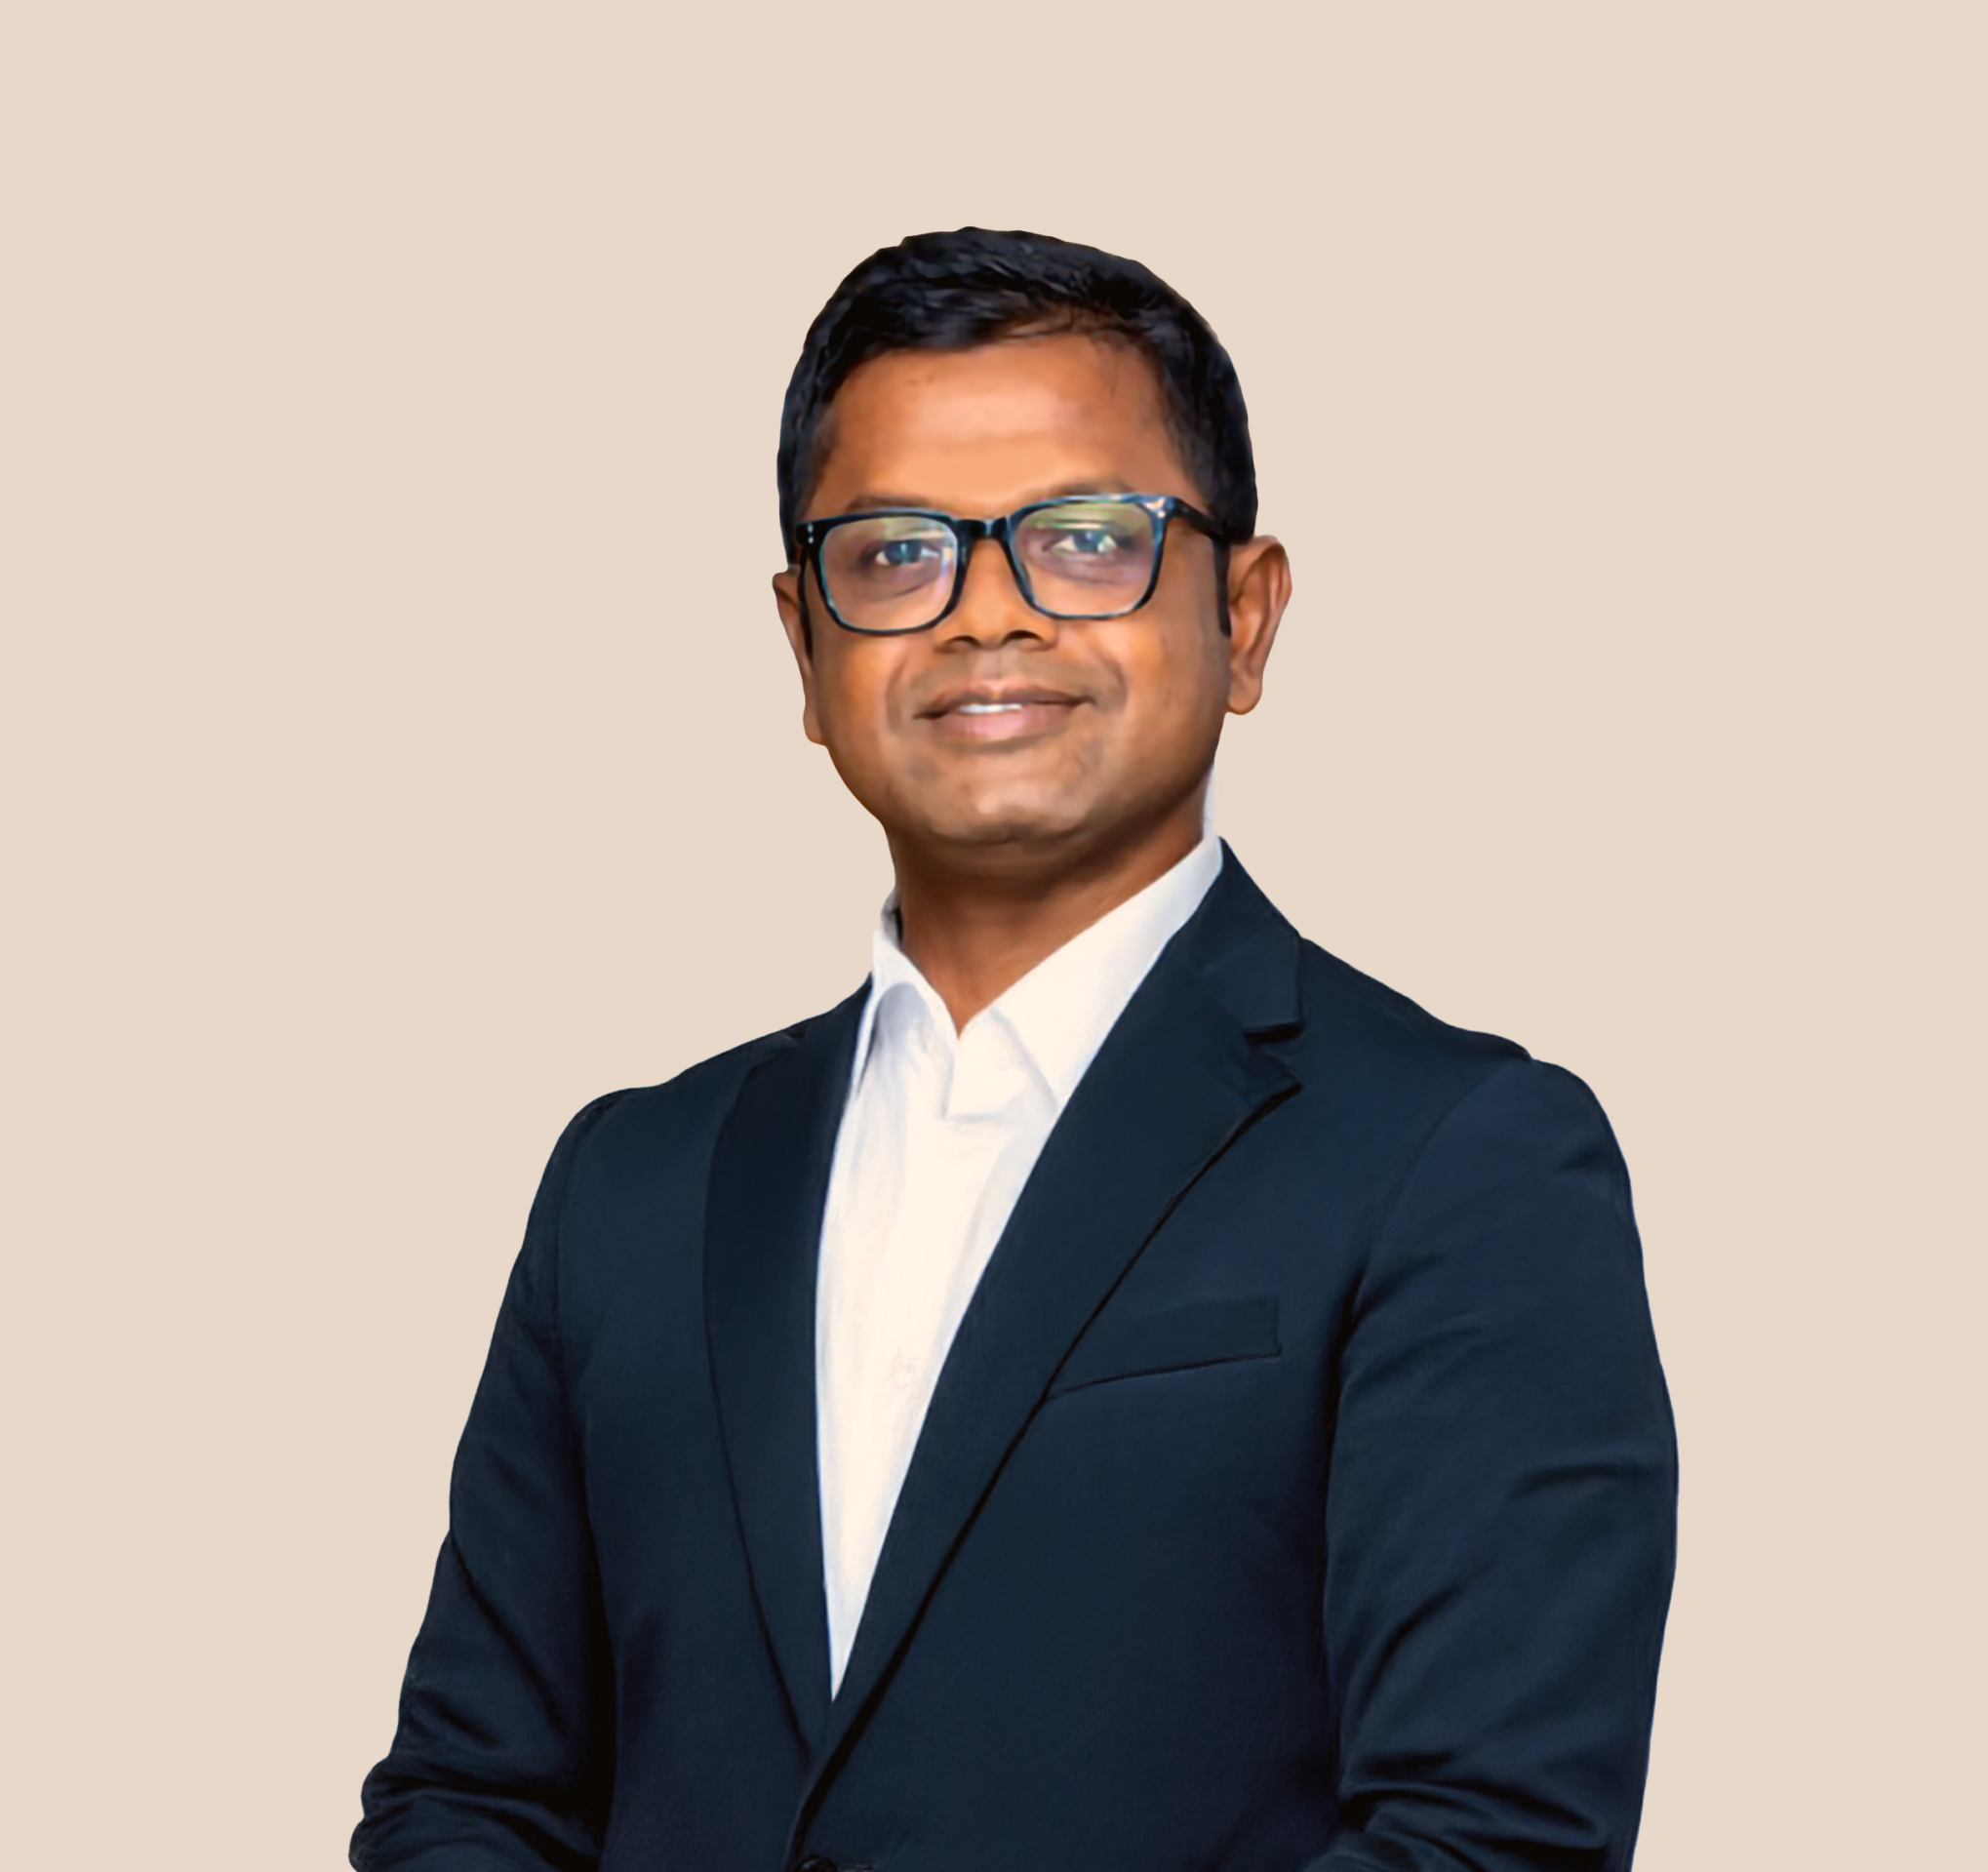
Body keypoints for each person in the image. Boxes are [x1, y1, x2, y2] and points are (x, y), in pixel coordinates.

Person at [352, 228, 1677, 1872]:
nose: (987, 614)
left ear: (1246, 615)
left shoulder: (1461, 1159)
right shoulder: (629, 1184)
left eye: (1086, 540)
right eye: (897, 552)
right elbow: (470, 1796)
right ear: (805, 646)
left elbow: (1485, 1838)